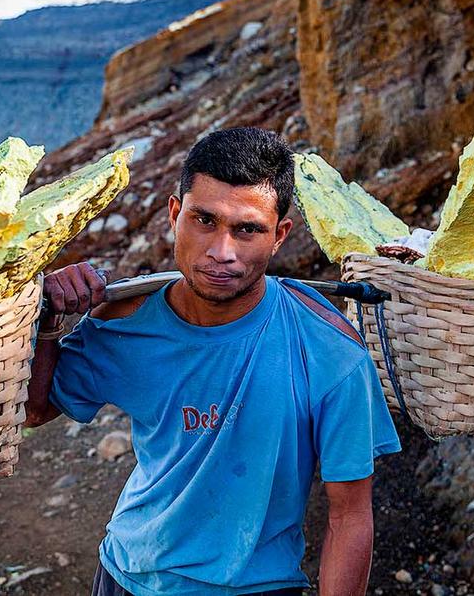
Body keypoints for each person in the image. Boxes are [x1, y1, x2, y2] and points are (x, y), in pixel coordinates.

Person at [24, 127, 401, 596]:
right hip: (126, 574)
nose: (222, 253)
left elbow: (349, 515)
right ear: (174, 214)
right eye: (204, 220)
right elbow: (35, 410)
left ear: (279, 235)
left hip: (257, 587)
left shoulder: (330, 351)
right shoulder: (126, 321)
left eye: (247, 230)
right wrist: (46, 321)